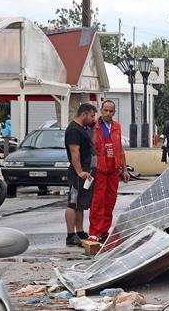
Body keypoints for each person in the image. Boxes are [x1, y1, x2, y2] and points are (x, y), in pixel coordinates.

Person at [88, 100, 129, 243]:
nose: (108, 113)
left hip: (113, 168)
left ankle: (104, 230)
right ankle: (94, 231)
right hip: (100, 168)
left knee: (110, 200)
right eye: (105, 110)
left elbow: (120, 149)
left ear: (114, 112)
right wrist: (93, 130)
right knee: (98, 201)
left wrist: (124, 169)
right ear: (101, 110)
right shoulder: (95, 126)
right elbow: (91, 145)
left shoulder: (117, 126)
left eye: (111, 111)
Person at [64, 103, 97, 246]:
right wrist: (79, 172)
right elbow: (74, 152)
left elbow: (92, 145)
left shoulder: (84, 129)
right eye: (92, 116)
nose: (93, 118)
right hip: (78, 171)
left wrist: (94, 130)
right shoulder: (73, 130)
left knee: (81, 203)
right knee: (73, 203)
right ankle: (70, 234)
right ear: (84, 114)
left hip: (86, 170)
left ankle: (80, 231)